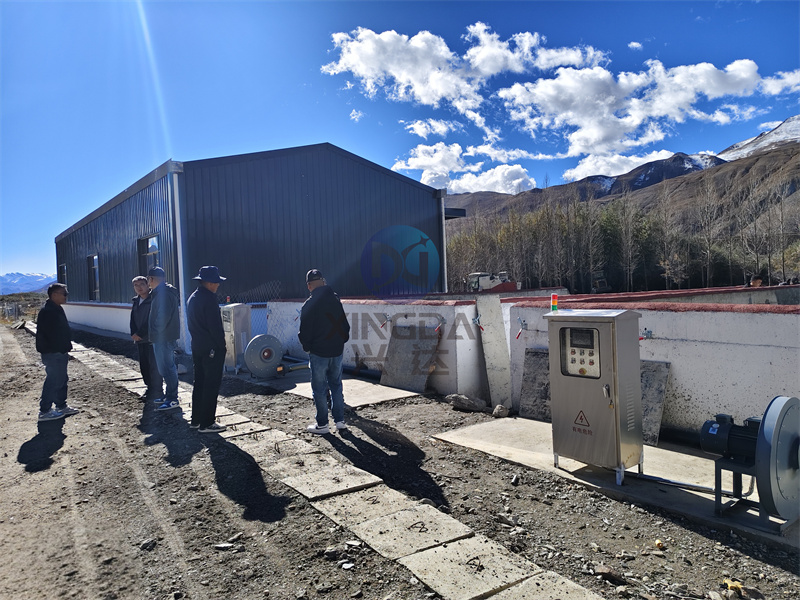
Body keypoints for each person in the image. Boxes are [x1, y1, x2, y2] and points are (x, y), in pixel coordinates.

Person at [298, 269, 350, 435]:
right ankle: (340, 421)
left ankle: (322, 424)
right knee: (336, 385)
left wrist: (307, 347)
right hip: (336, 351)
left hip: (318, 353)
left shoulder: (309, 304)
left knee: (319, 389)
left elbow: (304, 332)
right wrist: (340, 341)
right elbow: (345, 326)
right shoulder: (335, 300)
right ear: (323, 281)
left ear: (309, 286)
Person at [186, 266, 228, 433]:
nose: (218, 285)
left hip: (197, 345)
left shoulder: (193, 297)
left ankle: (196, 420)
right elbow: (215, 327)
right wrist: (222, 346)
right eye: (216, 282)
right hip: (211, 348)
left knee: (199, 383)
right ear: (209, 282)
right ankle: (207, 422)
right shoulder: (209, 299)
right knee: (211, 384)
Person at [36, 283, 80, 422]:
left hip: (59, 351)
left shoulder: (55, 308)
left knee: (61, 379)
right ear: (54, 295)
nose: (66, 296)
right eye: (64, 293)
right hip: (53, 352)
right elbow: (51, 335)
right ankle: (45, 410)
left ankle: (61, 406)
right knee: (53, 380)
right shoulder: (48, 311)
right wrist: (61, 348)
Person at [147, 266, 181, 411]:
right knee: (165, 368)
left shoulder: (163, 294)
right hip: (163, 337)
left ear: (151, 279)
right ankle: (169, 396)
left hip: (163, 338)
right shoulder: (162, 292)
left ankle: (172, 398)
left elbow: (162, 318)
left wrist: (154, 333)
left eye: (148, 280)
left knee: (167, 368)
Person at [129, 275, 163, 402]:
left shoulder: (153, 300)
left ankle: (157, 390)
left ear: (148, 285)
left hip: (151, 338)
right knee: (144, 365)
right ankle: (149, 388)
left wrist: (140, 333)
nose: (139, 288)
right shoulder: (136, 301)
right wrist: (133, 332)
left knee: (154, 365)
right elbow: (133, 318)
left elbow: (152, 319)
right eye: (136, 285)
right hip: (139, 339)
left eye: (142, 284)